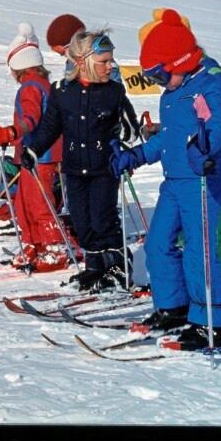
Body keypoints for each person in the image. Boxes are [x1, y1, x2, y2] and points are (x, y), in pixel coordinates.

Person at [110, 8, 221, 350]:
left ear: (180, 62)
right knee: (157, 243)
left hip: (200, 181)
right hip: (174, 182)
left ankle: (211, 322)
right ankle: (174, 306)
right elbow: (168, 138)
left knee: (199, 251)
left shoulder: (209, 84)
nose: (158, 83)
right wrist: (137, 155)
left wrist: (205, 145)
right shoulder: (171, 94)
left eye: (160, 75)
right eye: (152, 77)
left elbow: (218, 124)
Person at [137, 8, 221, 312]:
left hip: (220, 160)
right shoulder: (179, 83)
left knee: (217, 228)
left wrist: (207, 141)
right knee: (181, 234)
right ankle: (186, 293)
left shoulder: (213, 76)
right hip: (186, 168)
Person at [22, 29, 131, 292]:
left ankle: (118, 267)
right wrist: (33, 150)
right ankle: (94, 266)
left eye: (111, 60)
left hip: (104, 168)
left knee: (103, 218)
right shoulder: (62, 91)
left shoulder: (114, 91)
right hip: (74, 168)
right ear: (83, 62)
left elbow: (130, 128)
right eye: (104, 61)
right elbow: (50, 127)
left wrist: (124, 139)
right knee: (81, 220)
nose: (110, 66)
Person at [0, 22, 69, 271]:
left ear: (18, 65)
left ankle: (54, 248)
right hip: (36, 155)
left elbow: (30, 120)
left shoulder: (30, 87)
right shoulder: (42, 84)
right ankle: (35, 243)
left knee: (38, 203)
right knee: (23, 203)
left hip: (40, 155)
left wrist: (9, 132)